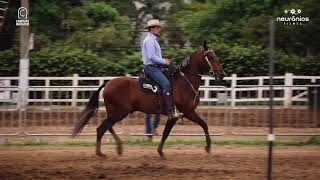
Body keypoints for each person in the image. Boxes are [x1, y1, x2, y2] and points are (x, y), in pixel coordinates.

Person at [141, 19, 179, 120]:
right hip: (151, 68)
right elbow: (151, 57)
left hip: (155, 67)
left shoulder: (153, 40)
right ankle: (170, 111)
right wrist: (164, 62)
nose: (159, 29)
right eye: (157, 27)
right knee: (166, 84)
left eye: (159, 27)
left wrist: (164, 61)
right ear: (151, 29)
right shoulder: (149, 41)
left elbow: (155, 57)